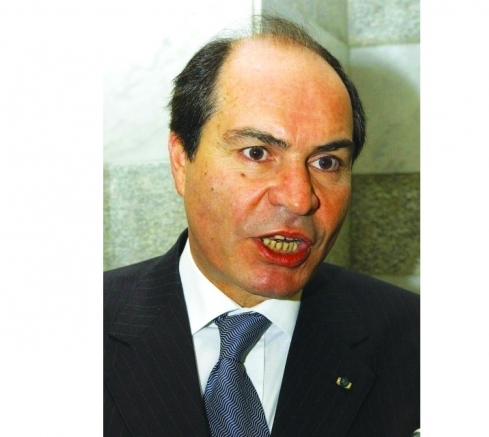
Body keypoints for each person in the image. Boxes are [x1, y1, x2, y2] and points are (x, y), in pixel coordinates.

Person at [104, 15, 419, 437]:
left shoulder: (415, 342)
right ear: (181, 161)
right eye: (257, 153)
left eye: (326, 162)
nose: (299, 198)